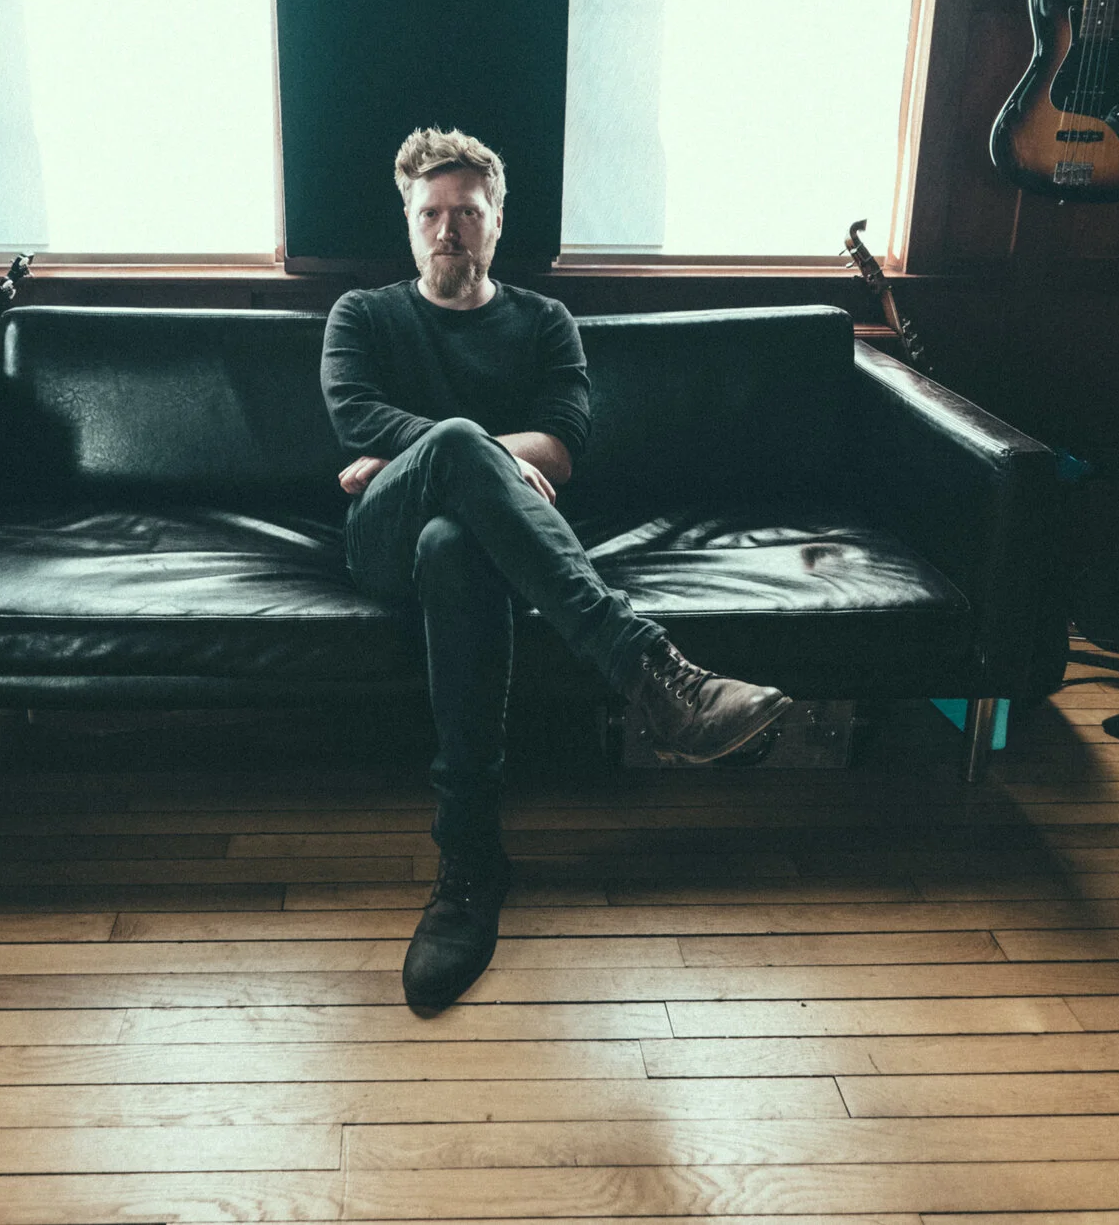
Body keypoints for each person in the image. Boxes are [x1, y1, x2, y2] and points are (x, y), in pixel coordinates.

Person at [323, 127, 793, 1014]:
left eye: (468, 212)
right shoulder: (363, 316)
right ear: (409, 222)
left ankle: (470, 859)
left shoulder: (543, 321)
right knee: (454, 452)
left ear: (498, 221)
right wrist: (473, 454)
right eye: (431, 213)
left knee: (455, 543)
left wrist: (452, 460)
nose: (448, 229)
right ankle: (651, 671)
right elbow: (355, 416)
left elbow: (564, 445)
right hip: (378, 541)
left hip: (478, 551)